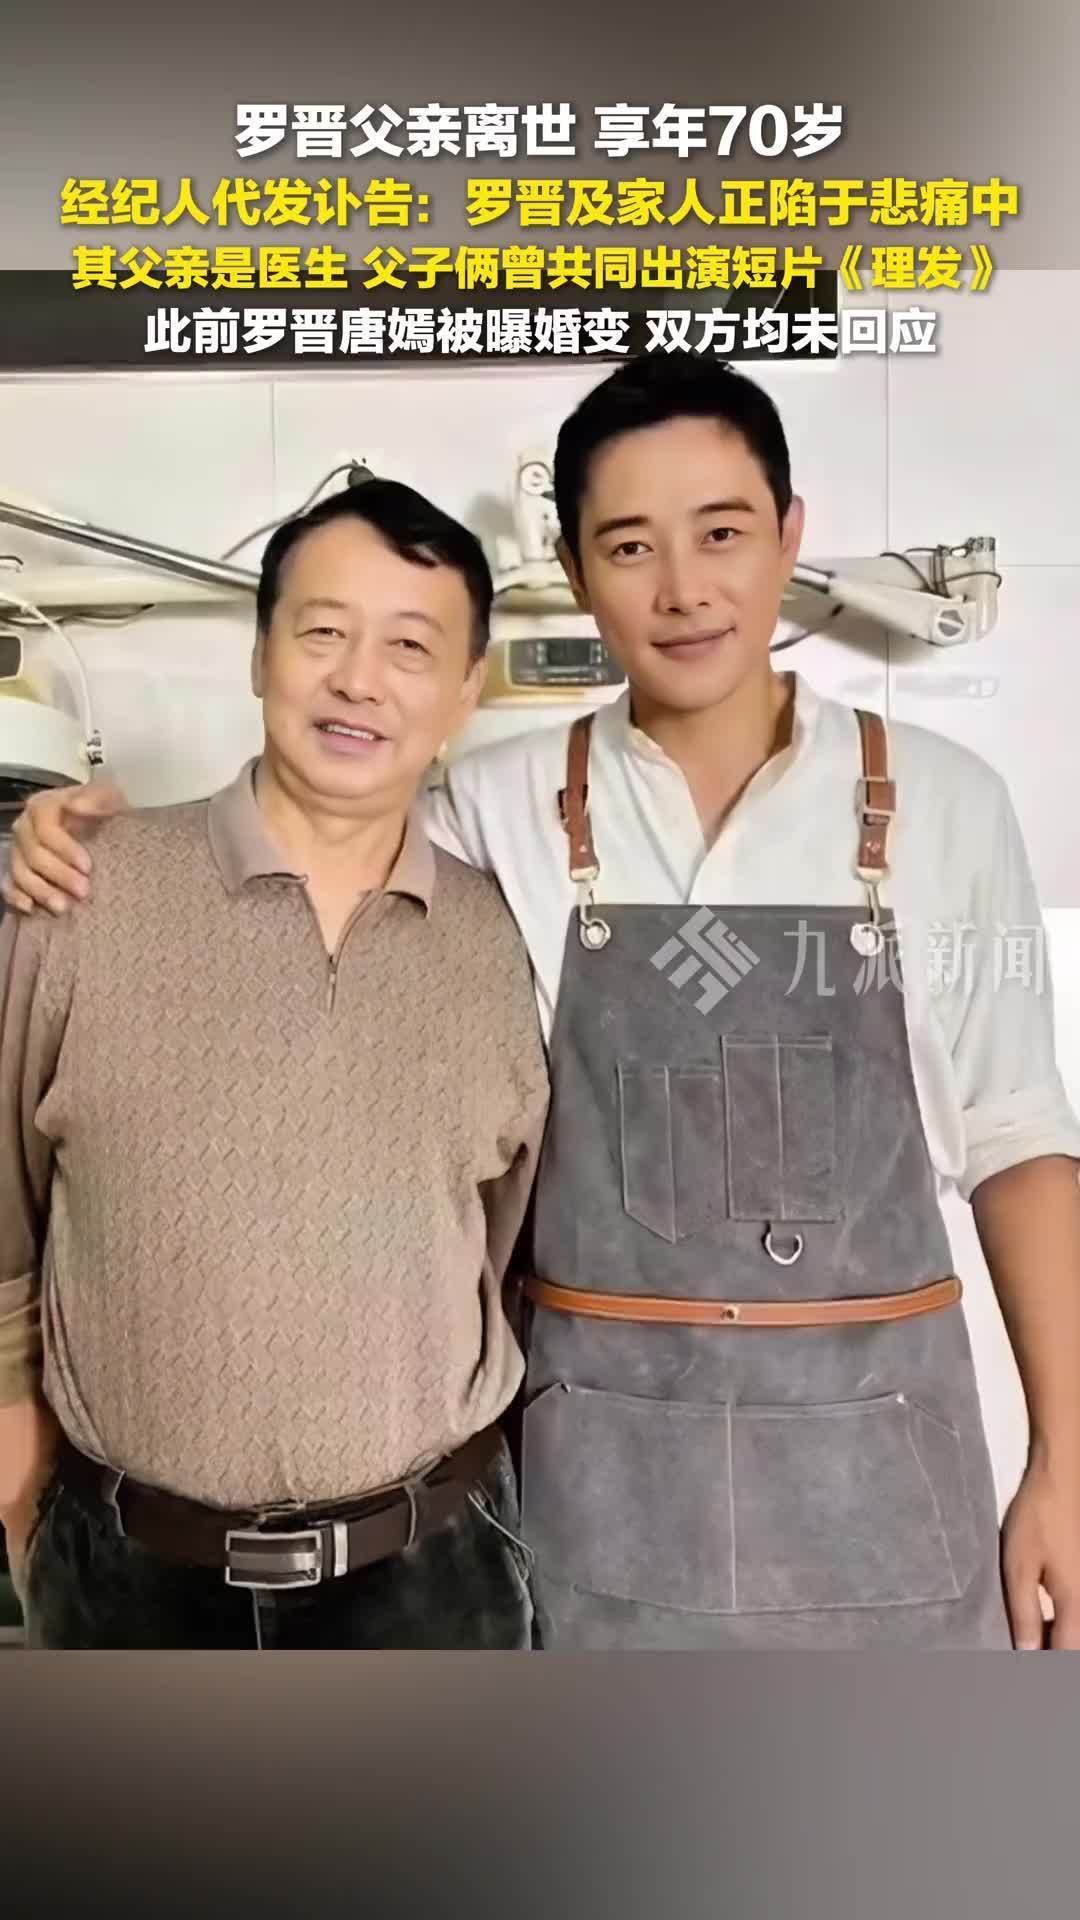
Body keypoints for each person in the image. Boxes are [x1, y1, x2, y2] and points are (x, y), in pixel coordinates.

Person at [9, 354, 1080, 1649]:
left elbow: (1021, 1142)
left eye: (722, 534)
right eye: (629, 546)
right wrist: (74, 843)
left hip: (884, 1463)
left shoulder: (947, 802)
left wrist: (1065, 1463)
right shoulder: (493, 806)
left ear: (790, 535)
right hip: (604, 1475)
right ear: (574, 569)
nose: (682, 589)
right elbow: (317, 836)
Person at [0, 479, 548, 1649]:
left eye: (410, 648)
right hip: (126, 1574)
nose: (360, 681)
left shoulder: (504, 940)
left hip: (431, 1578)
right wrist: (11, 1439)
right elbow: (5, 1203)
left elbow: (502, 1242)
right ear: (260, 656)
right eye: (323, 632)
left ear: (462, 694)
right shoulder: (82, 894)